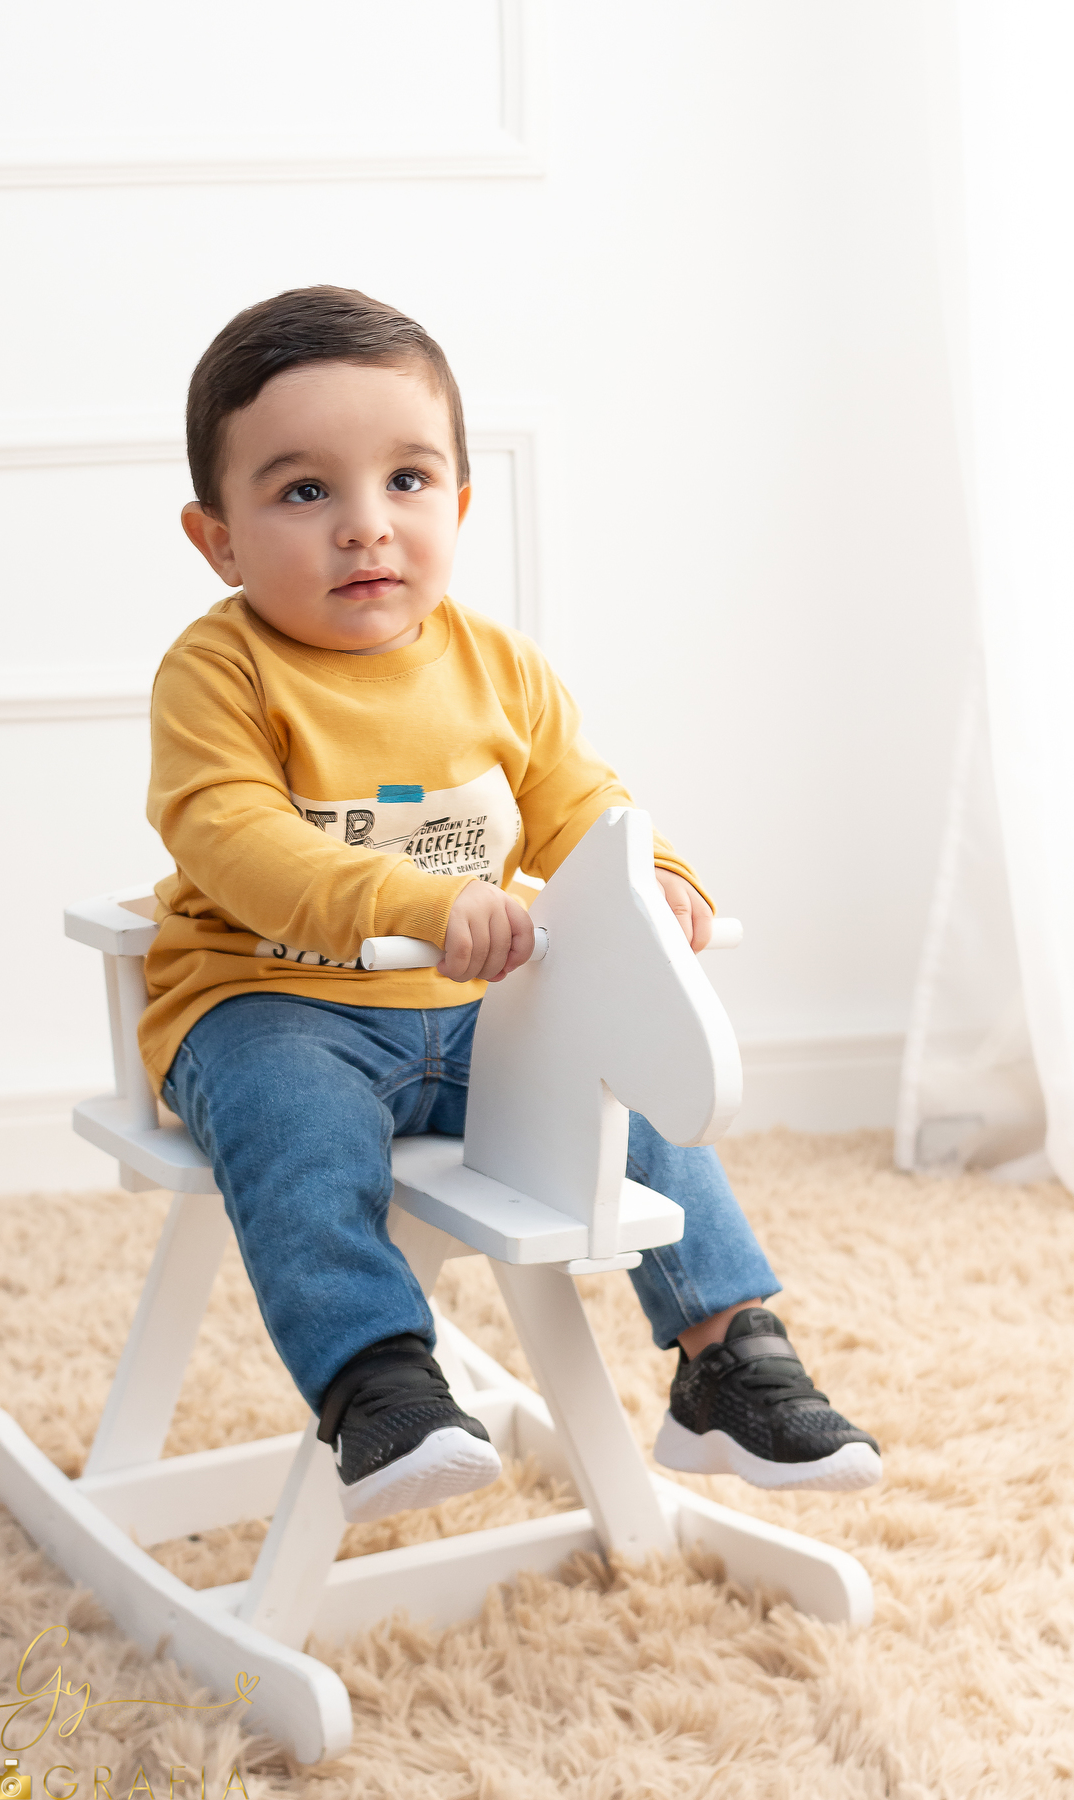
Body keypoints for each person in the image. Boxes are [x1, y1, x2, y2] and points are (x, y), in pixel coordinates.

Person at [143, 286, 881, 1526]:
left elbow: (576, 800)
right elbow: (234, 839)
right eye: (304, 491)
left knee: (629, 1080)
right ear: (217, 539)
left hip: (471, 1008)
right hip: (273, 1001)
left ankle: (727, 1352)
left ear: (462, 504)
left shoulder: (497, 666)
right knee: (296, 1127)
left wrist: (654, 876)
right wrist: (418, 901)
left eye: (408, 481)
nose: (365, 527)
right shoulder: (220, 671)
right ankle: (375, 1378)